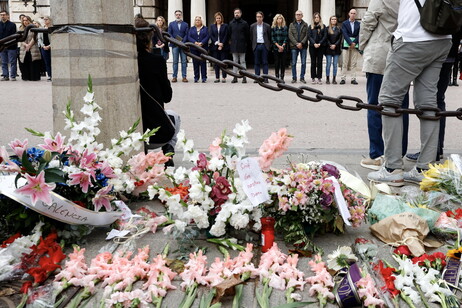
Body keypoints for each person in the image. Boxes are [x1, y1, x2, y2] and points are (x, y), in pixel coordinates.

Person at [367, 0, 452, 186]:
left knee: (389, 100)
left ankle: (392, 168)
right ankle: (425, 168)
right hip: (442, 38)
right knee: (428, 103)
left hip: (412, 38)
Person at [359, 0, 409, 171]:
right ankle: (398, 154)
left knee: (374, 105)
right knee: (402, 107)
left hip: (380, 54)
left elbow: (367, 22)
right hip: (403, 55)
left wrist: (362, 45)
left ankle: (377, 154)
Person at [405, 28, 462, 163]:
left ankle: (432, 151)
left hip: (435, 53)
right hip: (450, 53)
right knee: (438, 100)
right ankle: (437, 149)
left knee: (429, 101)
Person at [135, 17, 180, 167]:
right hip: (156, 135)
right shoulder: (157, 61)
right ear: (149, 38)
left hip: (129, 135)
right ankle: (168, 151)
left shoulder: (125, 62)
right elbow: (167, 97)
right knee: (175, 116)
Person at [228, 8, 249, 84]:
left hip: (242, 45)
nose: (236, 14)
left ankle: (244, 77)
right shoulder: (231, 23)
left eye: (238, 13)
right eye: (235, 13)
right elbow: (229, 34)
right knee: (235, 62)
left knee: (243, 61)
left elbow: (247, 35)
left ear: (241, 14)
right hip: (234, 46)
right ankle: (235, 77)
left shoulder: (244, 23)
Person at [186, 15, 209, 83]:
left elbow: (207, 36)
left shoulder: (205, 28)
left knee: (203, 63)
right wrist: (195, 42)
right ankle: (196, 77)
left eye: (199, 20)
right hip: (194, 48)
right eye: (196, 20)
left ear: (201, 21)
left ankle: (204, 77)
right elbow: (189, 37)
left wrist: (202, 43)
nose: (197, 21)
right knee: (195, 63)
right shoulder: (192, 28)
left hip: (203, 48)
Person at [167, 10, 189, 83]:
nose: (178, 16)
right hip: (174, 45)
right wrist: (176, 41)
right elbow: (169, 34)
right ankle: (174, 77)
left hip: (183, 45)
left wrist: (182, 42)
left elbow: (187, 34)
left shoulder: (185, 24)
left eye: (179, 14)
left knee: (184, 61)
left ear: (181, 15)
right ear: (175, 15)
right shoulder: (171, 24)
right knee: (175, 61)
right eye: (177, 15)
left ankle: (184, 77)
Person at [340, 9, 360, 85]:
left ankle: (353, 79)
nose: (353, 14)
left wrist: (354, 42)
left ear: (356, 14)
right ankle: (343, 78)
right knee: (344, 62)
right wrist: (350, 42)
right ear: (349, 14)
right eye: (351, 13)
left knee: (354, 63)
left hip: (355, 46)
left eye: (354, 13)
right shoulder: (344, 23)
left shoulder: (358, 24)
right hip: (346, 45)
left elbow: (359, 34)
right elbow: (344, 33)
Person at [250, 11, 271, 83]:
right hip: (256, 45)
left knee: (265, 62)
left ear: (262, 17)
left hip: (264, 46)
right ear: (256, 18)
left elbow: (269, 36)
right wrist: (253, 46)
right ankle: (257, 77)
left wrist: (268, 46)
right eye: (257, 17)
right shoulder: (252, 26)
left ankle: (265, 78)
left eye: (260, 17)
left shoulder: (267, 26)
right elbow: (251, 37)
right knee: (256, 62)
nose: (258, 18)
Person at [288, 10, 308, 83]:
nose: (298, 16)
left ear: (302, 16)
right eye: (296, 14)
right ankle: (294, 78)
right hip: (294, 46)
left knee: (303, 63)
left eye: (299, 14)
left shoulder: (305, 24)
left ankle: (302, 78)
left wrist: (301, 43)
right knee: (293, 63)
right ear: (295, 15)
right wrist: (296, 43)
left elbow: (307, 35)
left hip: (303, 46)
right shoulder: (291, 24)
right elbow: (290, 35)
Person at [18, 16, 41, 81]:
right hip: (24, 48)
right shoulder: (21, 29)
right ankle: (26, 77)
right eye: (24, 20)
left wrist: (29, 45)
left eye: (27, 20)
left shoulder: (33, 28)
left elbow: (35, 38)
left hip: (33, 47)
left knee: (33, 61)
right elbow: (20, 38)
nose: (25, 22)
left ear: (29, 20)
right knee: (24, 61)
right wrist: (25, 45)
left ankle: (34, 77)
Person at [209, 12, 228, 83]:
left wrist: (222, 44)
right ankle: (217, 77)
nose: (218, 19)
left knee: (223, 62)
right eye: (217, 18)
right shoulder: (212, 26)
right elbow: (211, 35)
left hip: (224, 47)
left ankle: (223, 77)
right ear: (215, 19)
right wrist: (217, 43)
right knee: (216, 63)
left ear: (221, 18)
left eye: (219, 18)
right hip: (215, 47)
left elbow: (226, 35)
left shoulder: (225, 26)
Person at [308, 12, 327, 84]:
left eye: (317, 17)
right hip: (312, 47)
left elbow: (325, 36)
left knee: (319, 62)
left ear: (320, 18)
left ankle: (319, 77)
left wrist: (319, 43)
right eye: (315, 17)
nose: (316, 18)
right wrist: (314, 43)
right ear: (313, 19)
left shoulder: (323, 26)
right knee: (313, 62)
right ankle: (313, 78)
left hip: (321, 47)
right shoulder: (310, 26)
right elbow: (309, 36)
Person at [0, 10, 17, 81]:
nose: (2, 16)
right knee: (4, 62)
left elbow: (13, 36)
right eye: (1, 15)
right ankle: (5, 76)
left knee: (12, 62)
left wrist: (8, 44)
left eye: (4, 15)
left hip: (11, 46)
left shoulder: (12, 25)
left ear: (7, 16)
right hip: (1, 47)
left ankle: (13, 76)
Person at [271, 14, 288, 82]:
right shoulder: (273, 28)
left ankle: (282, 77)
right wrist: (278, 46)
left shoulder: (285, 28)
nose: (279, 20)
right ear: (276, 20)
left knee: (283, 63)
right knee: (277, 62)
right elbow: (272, 38)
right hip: (276, 48)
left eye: (281, 19)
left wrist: (283, 46)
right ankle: (277, 76)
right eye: (278, 18)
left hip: (283, 48)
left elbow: (286, 37)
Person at [324, 16, 341, 84]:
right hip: (328, 49)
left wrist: (335, 45)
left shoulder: (339, 29)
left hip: (336, 49)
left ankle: (334, 79)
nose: (334, 20)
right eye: (332, 19)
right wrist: (330, 44)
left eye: (335, 19)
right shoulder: (327, 28)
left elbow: (340, 38)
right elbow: (326, 38)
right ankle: (327, 78)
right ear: (330, 20)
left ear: (336, 21)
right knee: (328, 64)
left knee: (335, 64)